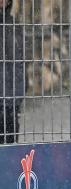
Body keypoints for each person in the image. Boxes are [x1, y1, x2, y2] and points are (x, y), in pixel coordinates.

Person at [1, 0, 25, 144]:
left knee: (10, 145)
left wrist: (22, 86)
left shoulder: (14, 25)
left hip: (11, 95)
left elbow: (21, 57)